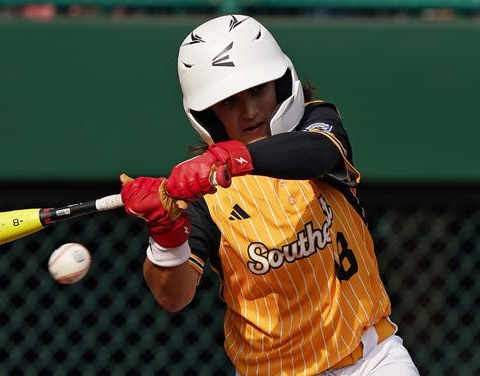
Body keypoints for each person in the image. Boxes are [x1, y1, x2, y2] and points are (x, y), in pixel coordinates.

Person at [119, 15, 419, 376]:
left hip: (373, 361)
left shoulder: (317, 124)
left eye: (258, 90)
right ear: (207, 115)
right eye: (229, 102)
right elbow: (173, 297)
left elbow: (317, 153)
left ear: (280, 83)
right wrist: (166, 236)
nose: (250, 111)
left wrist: (234, 158)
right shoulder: (204, 194)